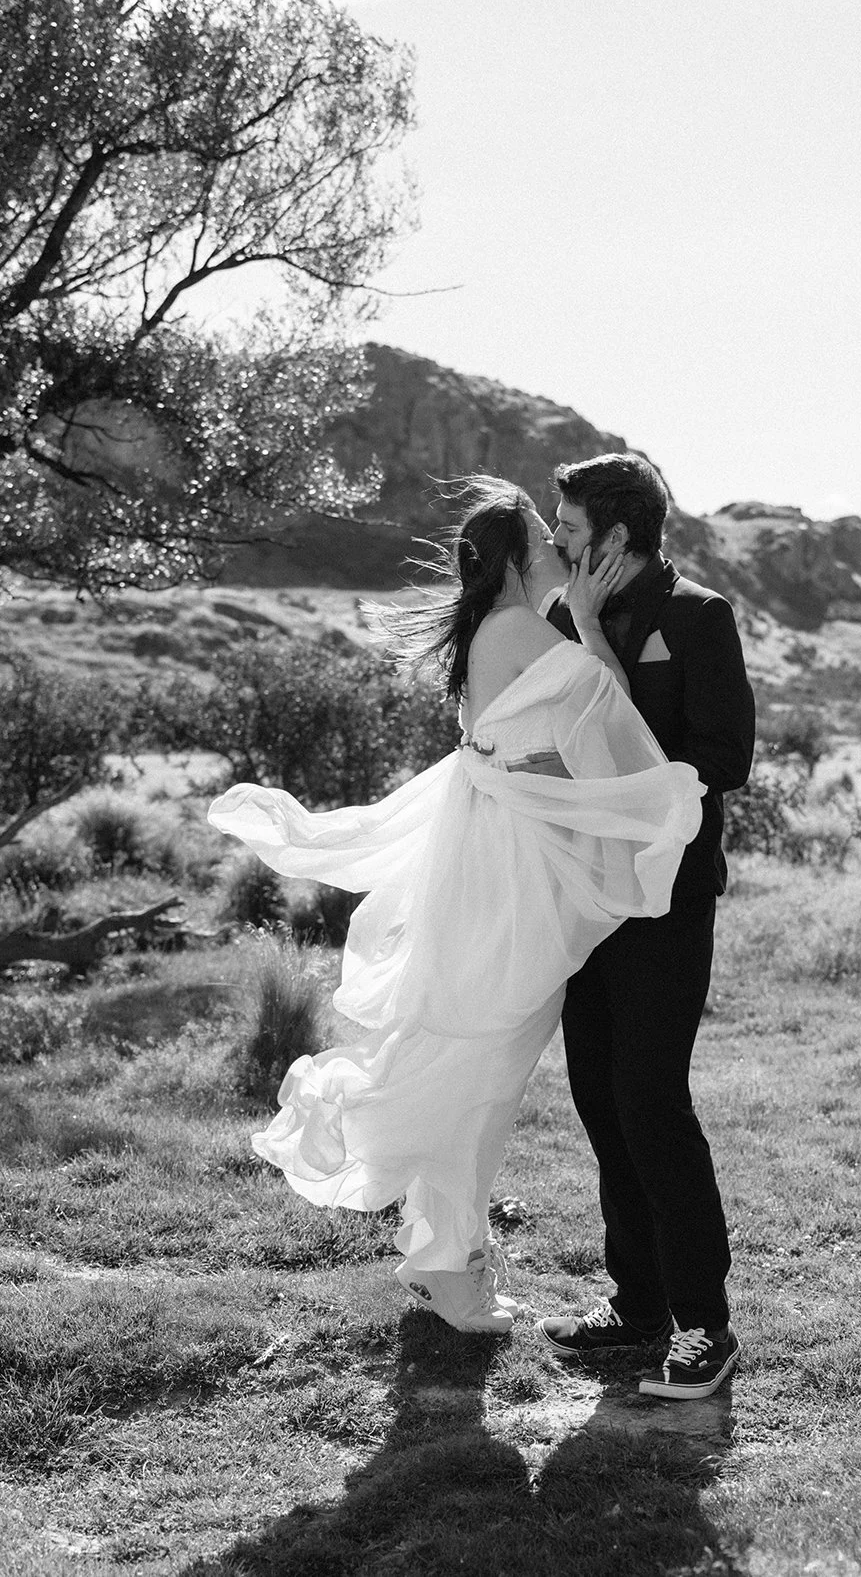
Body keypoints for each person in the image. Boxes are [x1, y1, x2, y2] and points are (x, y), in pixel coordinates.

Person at [207, 478, 703, 1334]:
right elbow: (618, 727)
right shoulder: (520, 630)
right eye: (546, 544)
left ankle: (446, 1262)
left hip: (489, 867)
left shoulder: (492, 630)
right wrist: (586, 625)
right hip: (509, 881)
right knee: (482, 1074)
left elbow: (526, 745)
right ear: (517, 561)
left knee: (471, 1062)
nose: (561, 551)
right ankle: (453, 1272)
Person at [537, 453, 754, 1401]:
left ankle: (706, 1324)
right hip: (586, 898)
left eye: (570, 527)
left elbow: (723, 757)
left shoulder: (699, 618)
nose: (556, 540)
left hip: (668, 900)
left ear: (617, 538)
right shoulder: (555, 620)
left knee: (651, 1099)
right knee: (596, 1095)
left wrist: (593, 636)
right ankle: (638, 1306)